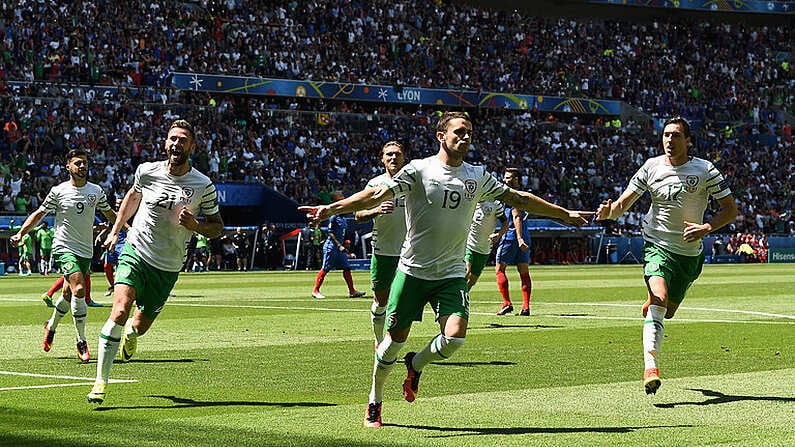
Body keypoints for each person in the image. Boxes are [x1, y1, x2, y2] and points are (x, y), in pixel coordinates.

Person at [299, 111, 591, 428]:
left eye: (469, 132)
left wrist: (564, 214)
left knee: (454, 340)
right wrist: (331, 208)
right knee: (392, 343)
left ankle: (417, 363)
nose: (465, 137)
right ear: (441, 136)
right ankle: (375, 400)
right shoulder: (419, 170)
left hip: (451, 273)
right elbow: (375, 194)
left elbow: (518, 197)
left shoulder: (477, 176)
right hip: (412, 272)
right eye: (459, 132)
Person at [595, 116, 738, 395]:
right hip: (656, 244)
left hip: (688, 255)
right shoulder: (651, 167)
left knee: (666, 311)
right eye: (666, 135)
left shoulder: (706, 170)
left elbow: (730, 210)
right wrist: (608, 213)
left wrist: (706, 228)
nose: (669, 140)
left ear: (688, 140)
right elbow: (623, 204)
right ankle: (651, 368)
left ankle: (653, 308)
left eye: (676, 135)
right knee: (659, 300)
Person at [87, 119, 223, 404]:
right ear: (165, 143)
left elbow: (217, 226)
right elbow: (132, 197)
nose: (176, 144)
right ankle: (100, 380)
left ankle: (132, 335)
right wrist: (115, 231)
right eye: (173, 138)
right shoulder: (146, 171)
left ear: (192, 147)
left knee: (139, 324)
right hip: (136, 249)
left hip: (168, 265)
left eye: (183, 140)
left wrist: (195, 226)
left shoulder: (202, 185)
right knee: (121, 308)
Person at [10, 148, 117, 363]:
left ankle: (51, 326)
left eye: (85, 162)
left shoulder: (95, 191)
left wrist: (127, 230)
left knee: (68, 295)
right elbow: (40, 214)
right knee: (79, 288)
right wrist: (21, 232)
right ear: (68, 167)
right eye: (78, 163)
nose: (82, 166)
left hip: (85, 250)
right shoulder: (58, 191)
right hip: (63, 247)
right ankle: (81, 341)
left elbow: (110, 214)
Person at [354, 141, 407, 347]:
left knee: (402, 302)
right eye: (389, 155)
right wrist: (375, 210)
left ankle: (392, 341)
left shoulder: (411, 183)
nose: (394, 158)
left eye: (398, 154)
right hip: (384, 250)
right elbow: (358, 215)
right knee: (381, 301)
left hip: (409, 252)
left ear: (404, 158)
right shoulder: (374, 185)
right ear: (382, 159)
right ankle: (378, 340)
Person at [494, 168, 534, 316]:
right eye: (505, 177)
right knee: (524, 272)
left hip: (511, 236)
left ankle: (506, 303)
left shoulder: (511, 196)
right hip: (525, 234)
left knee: (500, 269)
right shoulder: (524, 195)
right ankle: (526, 307)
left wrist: (518, 238)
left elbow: (516, 215)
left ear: (516, 180)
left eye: (509, 178)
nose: (505, 180)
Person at [311, 213, 367, 299]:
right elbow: (330, 233)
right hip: (331, 247)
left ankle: (352, 291)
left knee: (346, 268)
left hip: (339, 247)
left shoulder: (344, 219)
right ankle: (315, 290)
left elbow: (342, 234)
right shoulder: (333, 218)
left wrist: (344, 246)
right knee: (325, 268)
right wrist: (339, 245)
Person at [465, 200, 508, 290]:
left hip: (484, 249)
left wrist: (499, 234)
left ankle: (463, 295)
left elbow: (505, 223)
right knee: (466, 272)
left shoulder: (496, 204)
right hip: (469, 245)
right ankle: (456, 297)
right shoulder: (472, 201)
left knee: (472, 281)